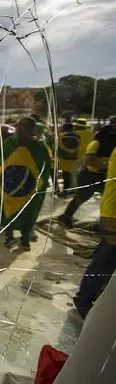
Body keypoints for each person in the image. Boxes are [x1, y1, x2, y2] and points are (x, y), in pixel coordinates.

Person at [0, 117, 51, 252]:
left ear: (31, 130)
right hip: (18, 188)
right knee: (15, 211)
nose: (19, 130)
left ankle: (19, 239)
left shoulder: (37, 146)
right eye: (18, 127)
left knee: (20, 212)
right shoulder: (38, 146)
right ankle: (15, 239)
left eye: (23, 128)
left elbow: (45, 166)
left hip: (20, 188)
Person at [72, 146, 116, 319]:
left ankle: (89, 295)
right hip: (113, 214)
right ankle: (85, 298)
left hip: (110, 211)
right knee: (107, 259)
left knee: (106, 256)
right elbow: (90, 158)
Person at [57, 118, 115, 228]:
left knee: (109, 200)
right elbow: (90, 160)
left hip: (104, 175)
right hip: (89, 175)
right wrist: (107, 165)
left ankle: (107, 222)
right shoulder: (96, 143)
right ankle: (66, 217)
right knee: (82, 196)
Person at [55, 122, 80, 195]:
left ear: (64, 128)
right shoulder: (78, 136)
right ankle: (66, 191)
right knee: (67, 175)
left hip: (60, 159)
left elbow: (56, 147)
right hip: (72, 159)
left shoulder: (60, 135)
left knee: (53, 173)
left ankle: (56, 190)